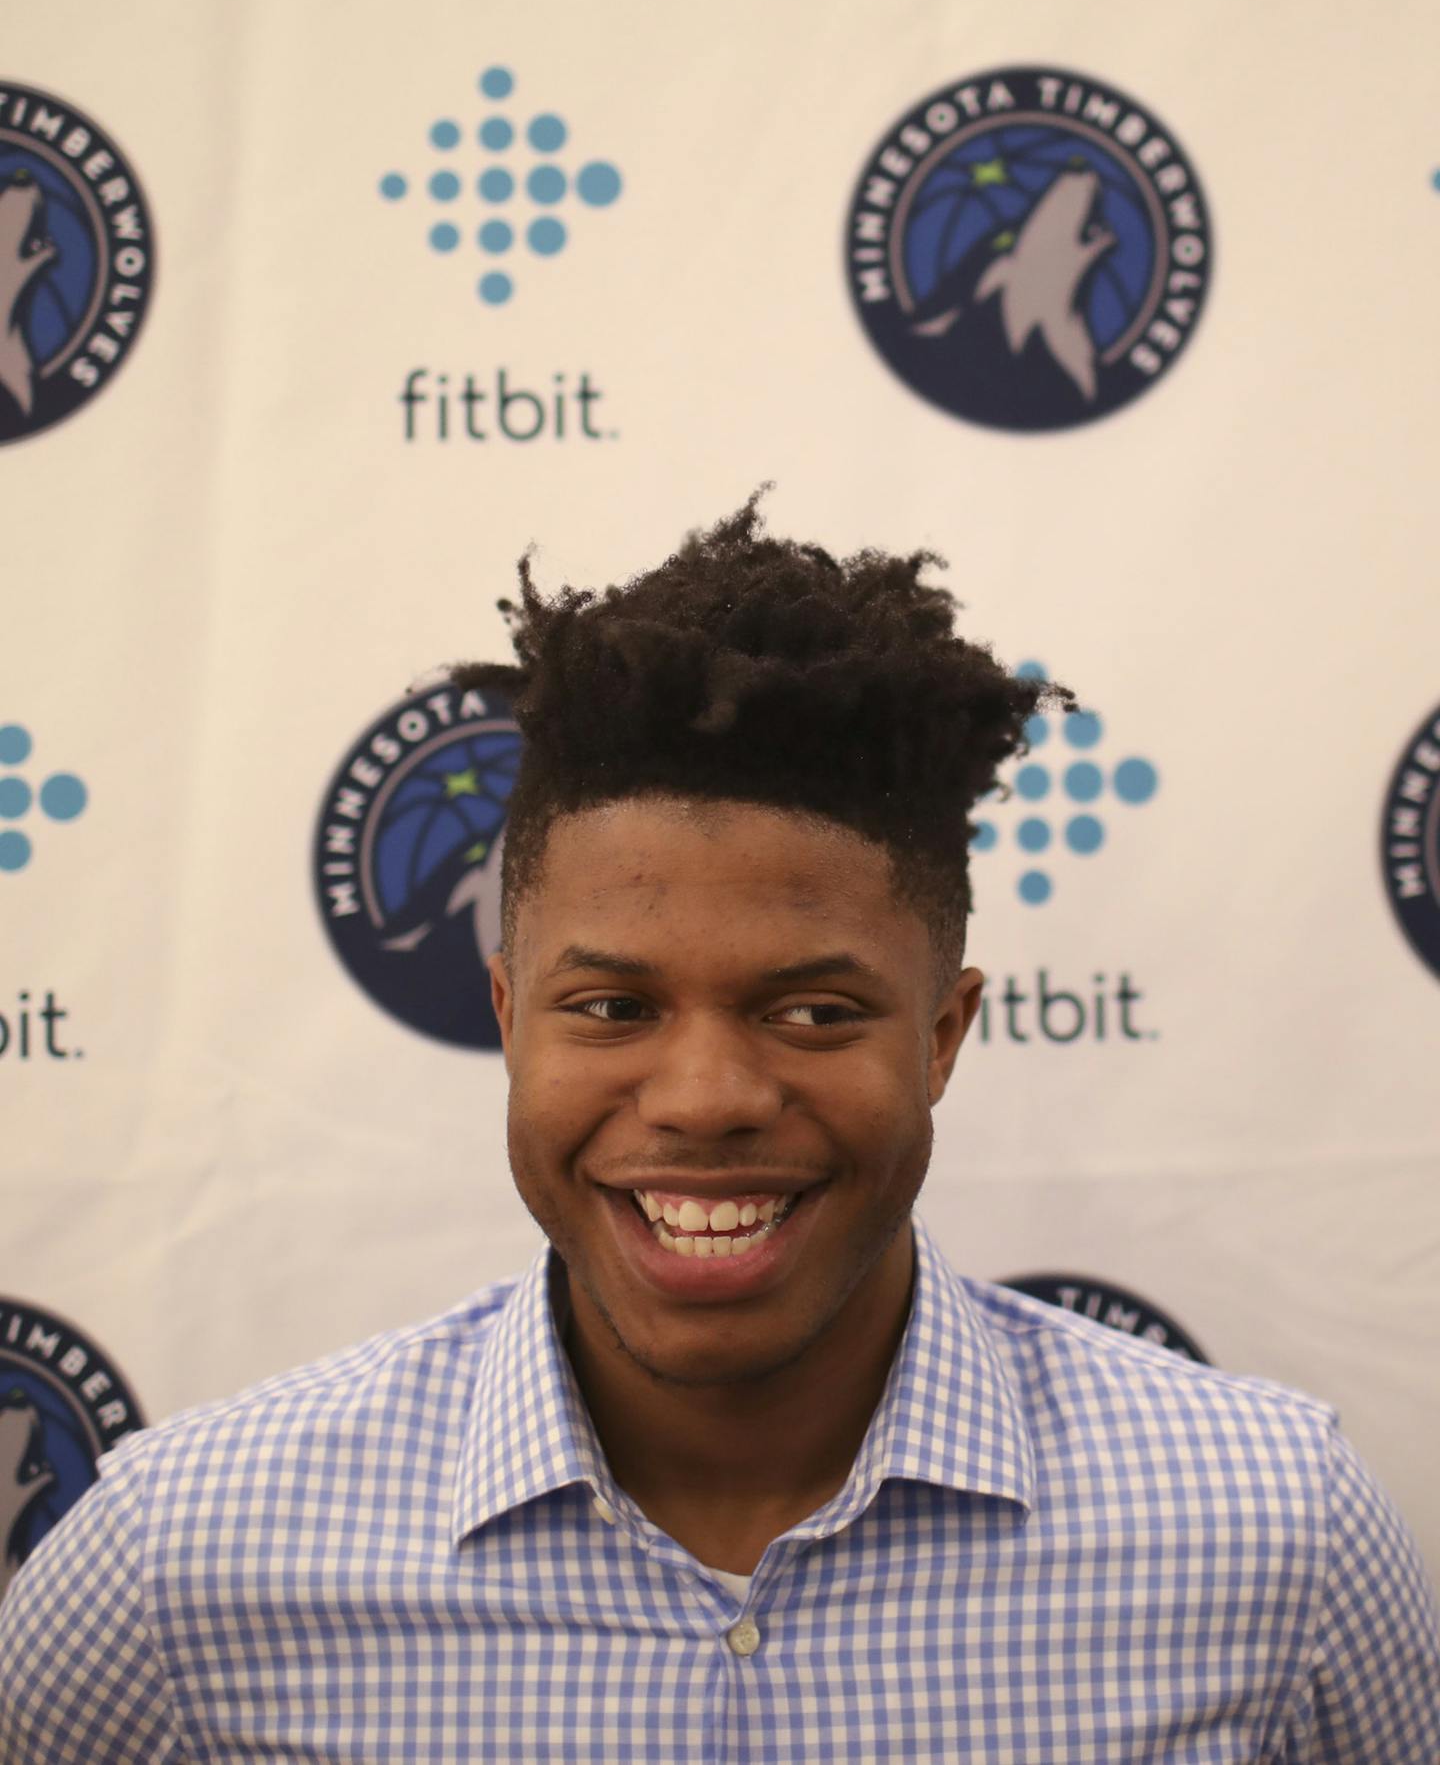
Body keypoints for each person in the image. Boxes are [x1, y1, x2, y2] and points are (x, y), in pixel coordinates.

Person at [1, 496, 1437, 1763]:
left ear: (942, 1038)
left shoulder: (1275, 1542)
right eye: (614, 1009)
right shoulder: (177, 1568)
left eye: (813, 1014)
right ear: (508, 1017)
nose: (702, 1099)